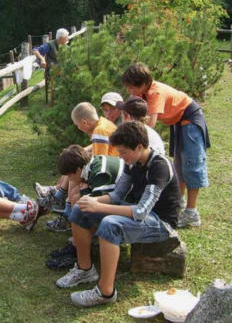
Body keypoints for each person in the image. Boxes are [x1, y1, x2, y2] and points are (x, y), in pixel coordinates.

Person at [56, 121, 180, 308]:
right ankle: (85, 269)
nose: (120, 157)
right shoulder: (133, 162)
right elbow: (116, 196)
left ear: (139, 147)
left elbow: (140, 212)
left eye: (123, 152)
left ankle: (105, 292)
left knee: (110, 224)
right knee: (80, 209)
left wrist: (99, 207)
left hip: (159, 222)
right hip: (137, 211)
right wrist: (92, 201)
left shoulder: (159, 167)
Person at [122, 63, 209, 227]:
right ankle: (178, 203)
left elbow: (150, 124)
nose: (130, 92)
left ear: (142, 84)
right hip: (177, 122)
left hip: (190, 119)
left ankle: (192, 212)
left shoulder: (155, 93)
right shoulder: (144, 93)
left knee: (191, 166)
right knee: (178, 165)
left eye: (132, 88)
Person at [37, 102, 119, 232]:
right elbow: (95, 150)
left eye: (77, 125)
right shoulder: (103, 124)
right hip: (111, 166)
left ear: (85, 122)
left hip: (108, 176)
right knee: (72, 163)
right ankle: (58, 197)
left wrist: (84, 181)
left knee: (74, 177)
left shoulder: (99, 132)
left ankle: (66, 215)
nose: (78, 128)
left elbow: (99, 161)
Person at [46, 145, 124, 271]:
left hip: (126, 206)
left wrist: (84, 191)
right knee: (77, 195)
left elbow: (101, 203)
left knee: (79, 203)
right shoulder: (92, 165)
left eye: (70, 175)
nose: (70, 179)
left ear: (77, 170)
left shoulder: (100, 173)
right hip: (118, 201)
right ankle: (77, 245)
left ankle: (78, 250)